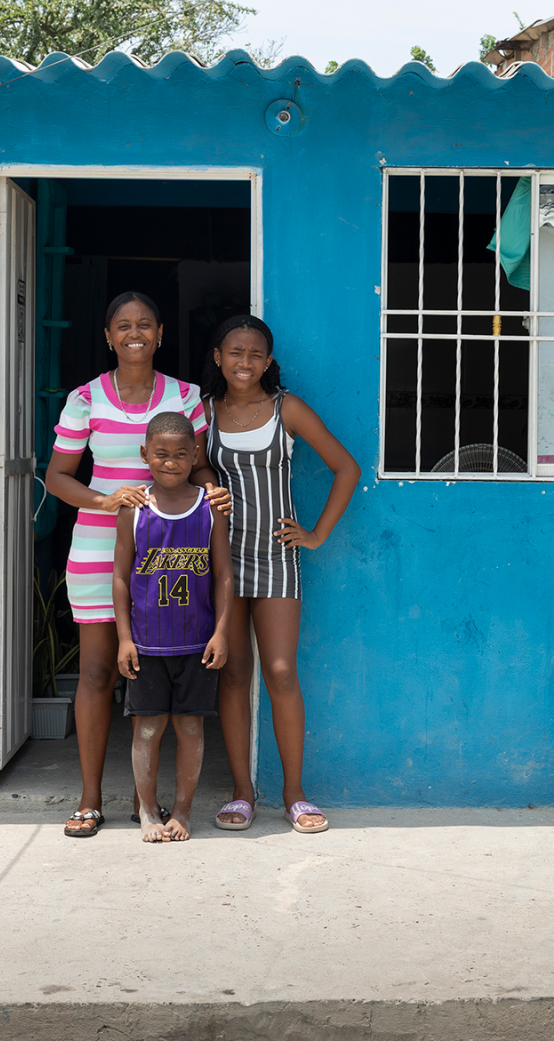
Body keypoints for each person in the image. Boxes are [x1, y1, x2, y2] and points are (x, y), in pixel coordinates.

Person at [45, 292, 231, 838]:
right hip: (102, 548)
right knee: (100, 672)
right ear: (108, 336)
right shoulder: (84, 399)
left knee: (155, 671)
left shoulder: (186, 395)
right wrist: (108, 500)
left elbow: (197, 467)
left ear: (160, 332)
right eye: (123, 326)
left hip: (174, 554)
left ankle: (144, 797)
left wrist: (213, 491)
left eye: (144, 324)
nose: (134, 333)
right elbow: (58, 476)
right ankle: (89, 798)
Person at [202, 315, 360, 834]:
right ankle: (242, 794)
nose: (244, 362)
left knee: (282, 673)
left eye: (255, 354)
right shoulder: (203, 413)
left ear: (267, 362)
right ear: (219, 357)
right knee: (232, 674)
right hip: (221, 560)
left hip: (274, 558)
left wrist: (315, 535)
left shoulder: (284, 408)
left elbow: (347, 467)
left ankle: (294, 793)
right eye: (235, 352)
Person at [113, 412, 232, 843]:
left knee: (191, 728)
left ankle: (182, 810)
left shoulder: (210, 509)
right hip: (146, 645)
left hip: (197, 644)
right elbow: (122, 577)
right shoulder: (135, 510)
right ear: (145, 454)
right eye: (160, 454)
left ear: (195, 455)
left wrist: (221, 632)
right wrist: (125, 639)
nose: (170, 462)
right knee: (146, 729)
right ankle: (147, 811)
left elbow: (223, 575)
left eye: (181, 454)